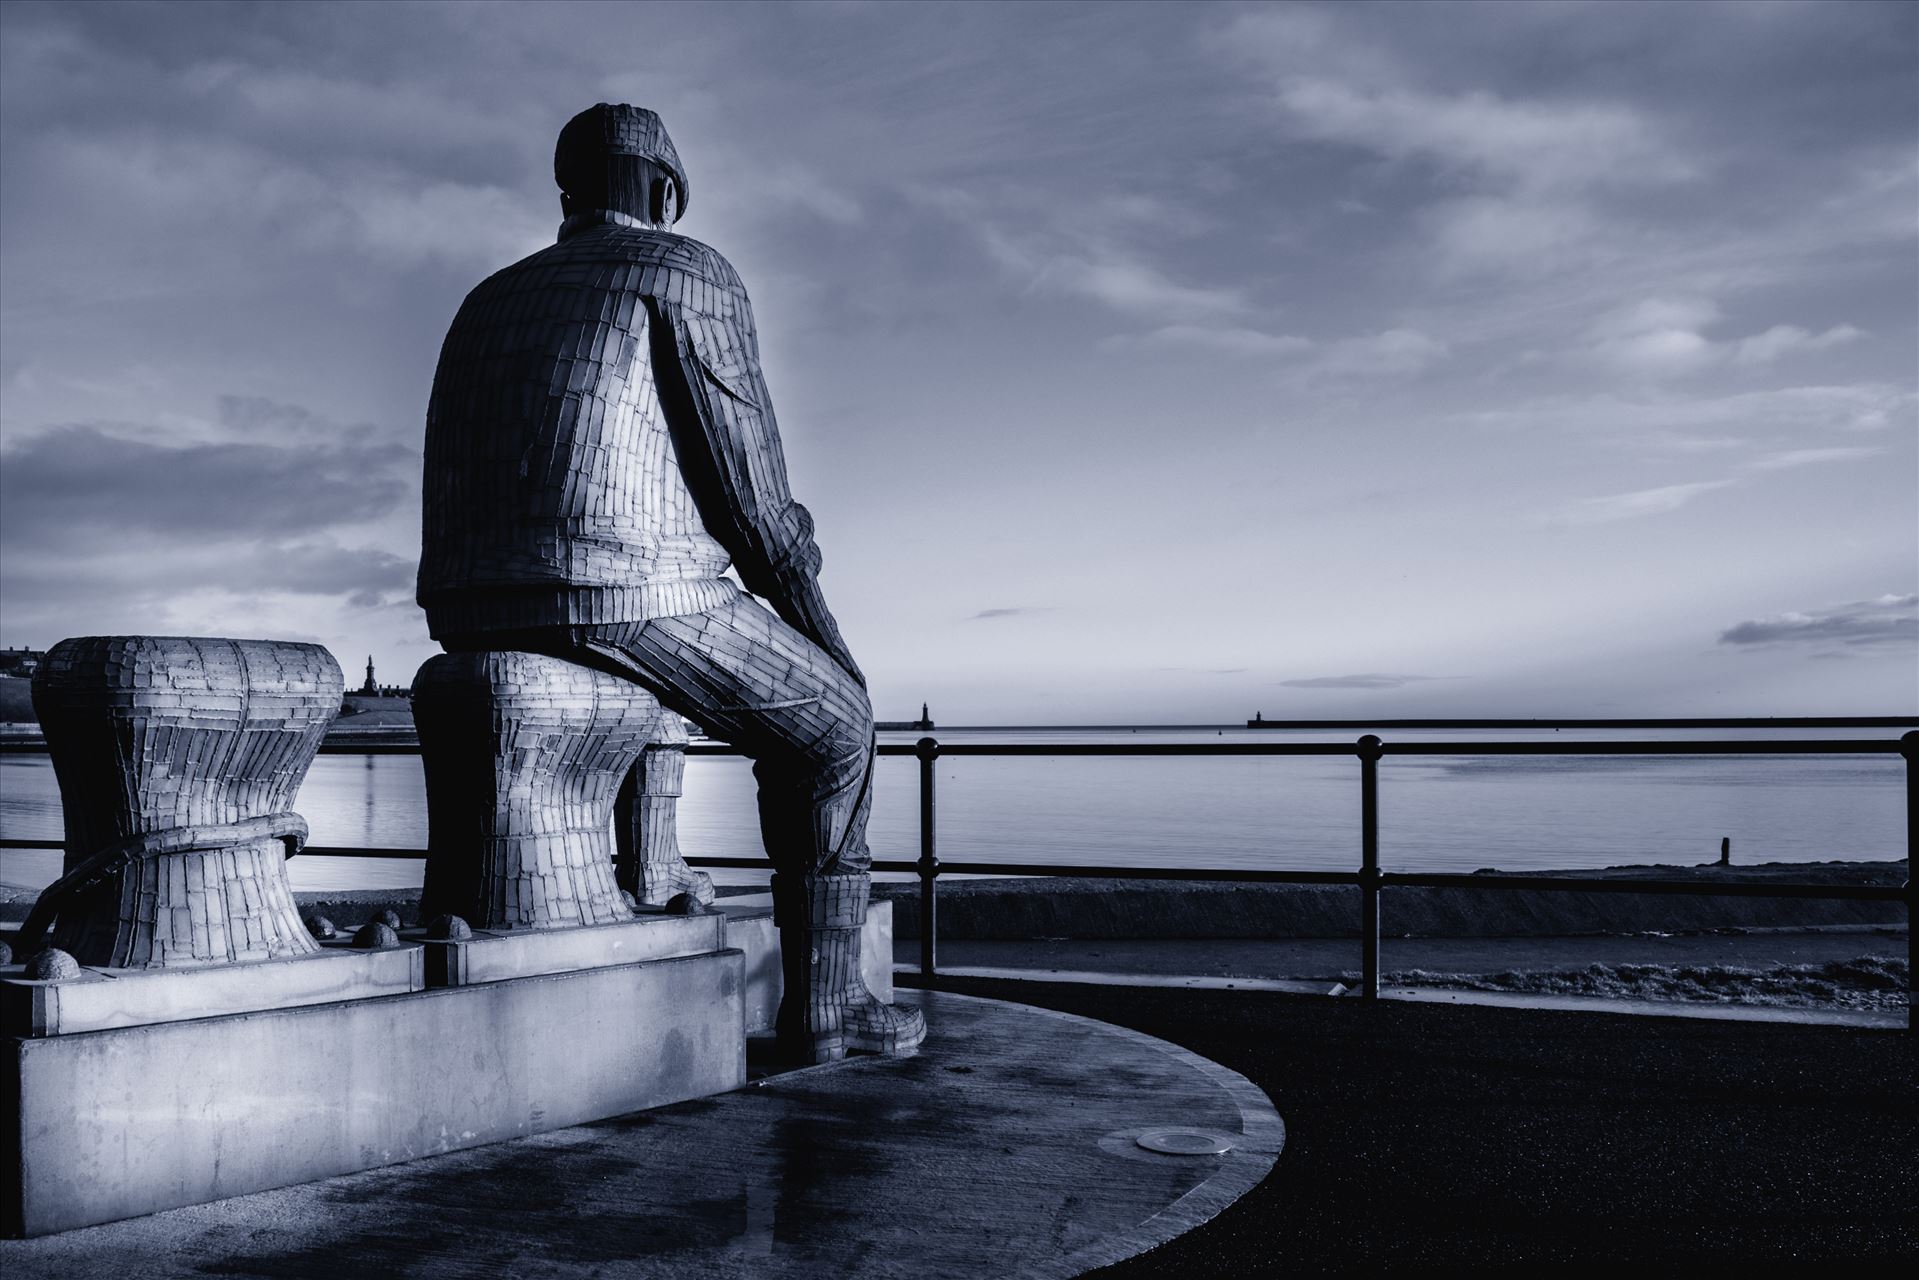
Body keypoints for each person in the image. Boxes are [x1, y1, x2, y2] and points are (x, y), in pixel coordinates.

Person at [417, 103, 924, 1063]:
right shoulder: (685, 271)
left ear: (567, 189)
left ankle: (643, 878)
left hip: (469, 596)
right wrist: (824, 636)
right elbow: (752, 499)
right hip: (630, 590)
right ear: (663, 188)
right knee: (836, 733)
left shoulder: (487, 296)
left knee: (676, 693)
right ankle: (827, 1010)